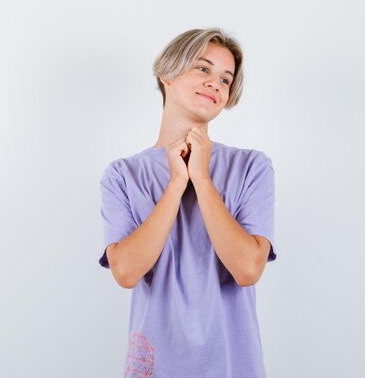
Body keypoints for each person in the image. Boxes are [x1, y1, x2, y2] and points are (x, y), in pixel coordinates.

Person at [98, 27, 277, 378]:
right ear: (167, 73)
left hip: (232, 367)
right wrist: (177, 182)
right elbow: (127, 272)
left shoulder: (251, 167)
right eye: (203, 69)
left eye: (226, 79)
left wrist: (202, 179)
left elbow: (247, 270)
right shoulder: (122, 175)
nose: (216, 83)